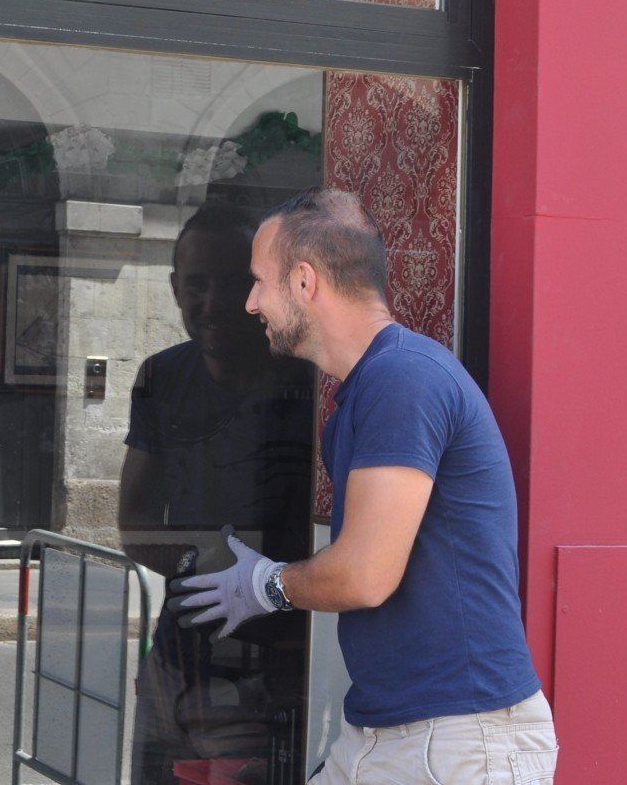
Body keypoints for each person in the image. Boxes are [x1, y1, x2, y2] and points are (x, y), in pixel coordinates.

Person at [170, 188, 557, 784]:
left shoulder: (403, 379)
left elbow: (365, 575)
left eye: (258, 282)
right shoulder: (368, 388)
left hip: (460, 739)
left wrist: (267, 584)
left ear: (304, 283)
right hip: (389, 733)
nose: (250, 303)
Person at [119, 202, 315, 783]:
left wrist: (258, 584)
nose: (211, 303)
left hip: (269, 672)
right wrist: (206, 565)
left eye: (232, 283)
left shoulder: (306, 384)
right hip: (174, 665)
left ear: (259, 291)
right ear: (176, 288)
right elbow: (133, 523)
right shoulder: (160, 377)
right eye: (196, 285)